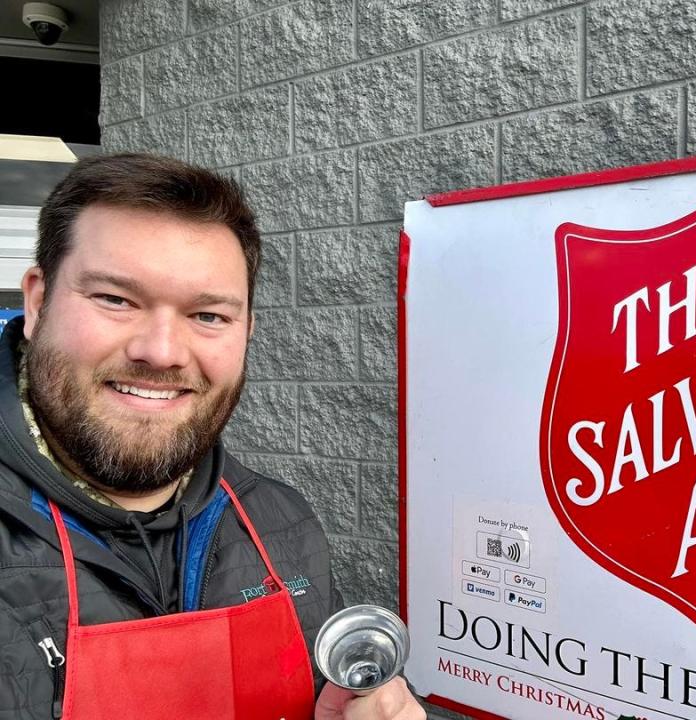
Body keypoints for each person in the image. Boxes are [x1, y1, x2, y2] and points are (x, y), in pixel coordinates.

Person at [0, 154, 424, 720]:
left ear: (247, 329)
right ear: (37, 302)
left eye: (208, 316)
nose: (162, 351)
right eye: (115, 299)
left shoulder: (279, 525)